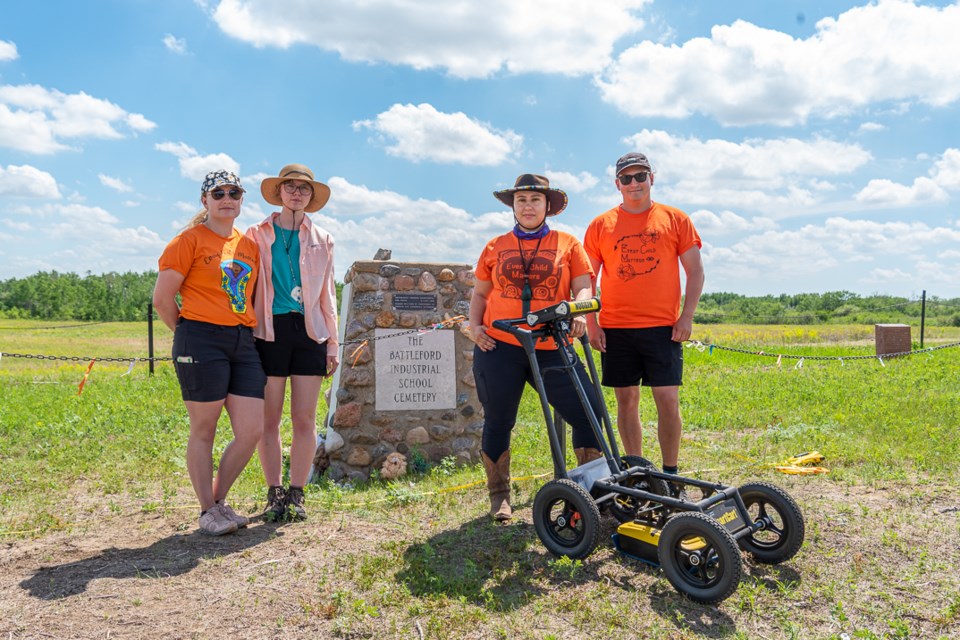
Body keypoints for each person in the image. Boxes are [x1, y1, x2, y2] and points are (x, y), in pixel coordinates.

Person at [469, 174, 604, 521]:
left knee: (589, 411)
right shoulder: (495, 246)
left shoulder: (568, 244)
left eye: (535, 200)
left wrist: (577, 308)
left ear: (548, 206)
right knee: (499, 420)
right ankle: (499, 496)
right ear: (513, 206)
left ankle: (586, 494)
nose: (528, 206)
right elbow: (480, 294)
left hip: (551, 343)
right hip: (500, 346)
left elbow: (584, 288)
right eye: (521, 200)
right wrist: (474, 326)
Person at [583, 152, 704, 493]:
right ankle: (636, 471)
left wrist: (687, 316)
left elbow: (695, 271)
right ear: (617, 184)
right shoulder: (600, 225)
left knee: (667, 399)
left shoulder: (675, 219)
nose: (634, 184)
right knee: (627, 400)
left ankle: (671, 474)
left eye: (640, 176)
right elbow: (588, 281)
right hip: (616, 327)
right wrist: (592, 325)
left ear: (653, 177)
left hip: (663, 327)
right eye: (627, 178)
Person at [153, 170, 265, 536]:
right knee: (205, 428)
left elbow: (248, 296)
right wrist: (188, 334)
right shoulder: (187, 241)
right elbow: (162, 299)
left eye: (234, 192)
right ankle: (206, 511)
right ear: (205, 201)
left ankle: (218, 502)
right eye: (218, 193)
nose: (227, 198)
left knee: (251, 430)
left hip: (242, 341)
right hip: (200, 338)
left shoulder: (247, 244)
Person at [246, 164, 340, 522]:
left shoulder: (323, 239)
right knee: (268, 420)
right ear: (279, 192)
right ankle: (273, 491)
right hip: (269, 331)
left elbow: (327, 295)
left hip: (309, 333)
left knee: (304, 419)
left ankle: (297, 492)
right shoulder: (257, 234)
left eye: (303, 188)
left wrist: (332, 343)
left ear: (311, 196)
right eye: (290, 187)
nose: (296, 193)